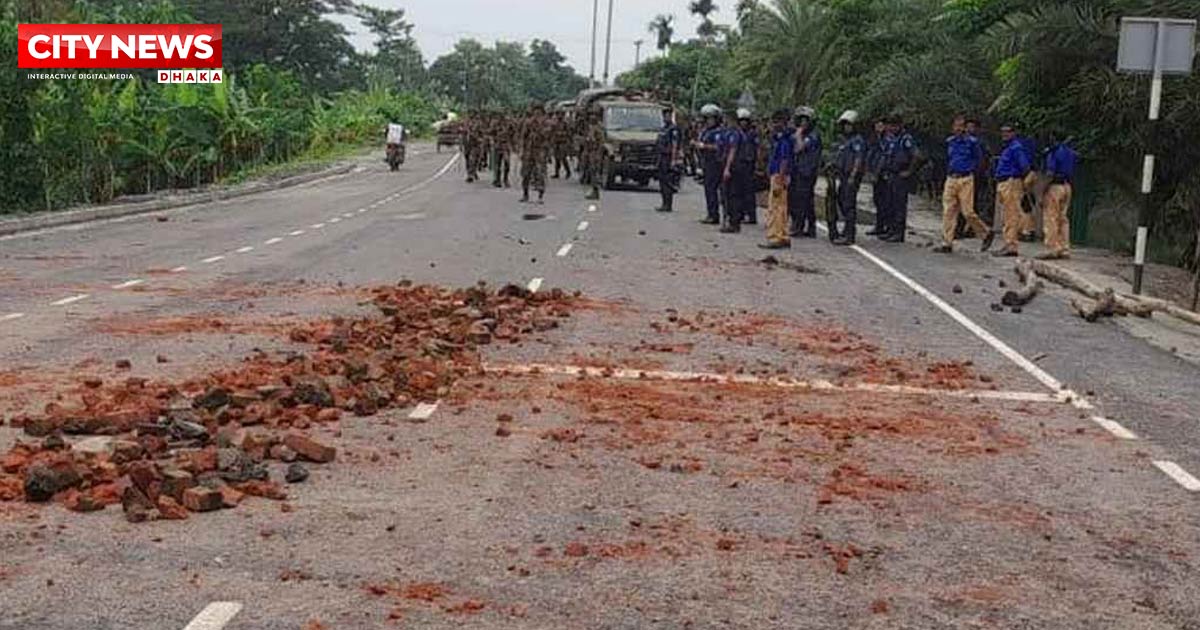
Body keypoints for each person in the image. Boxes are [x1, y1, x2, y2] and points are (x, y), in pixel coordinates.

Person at [935, 115, 995, 254]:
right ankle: (947, 242)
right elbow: (947, 158)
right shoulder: (950, 142)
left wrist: (972, 171)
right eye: (956, 126)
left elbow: (979, 159)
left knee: (967, 211)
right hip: (951, 177)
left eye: (961, 126)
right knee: (948, 210)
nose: (959, 128)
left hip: (966, 178)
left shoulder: (972, 142)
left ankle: (985, 232)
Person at [991, 123, 1033, 257]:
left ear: (1014, 133)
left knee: (1011, 215)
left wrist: (1020, 181)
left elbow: (1025, 167)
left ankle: (1011, 245)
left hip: (1011, 181)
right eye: (1003, 131)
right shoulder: (1008, 148)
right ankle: (1009, 243)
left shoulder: (1016, 148)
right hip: (1005, 182)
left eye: (1008, 132)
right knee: (1008, 215)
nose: (1005, 134)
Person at [828, 110, 866, 246]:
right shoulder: (845, 141)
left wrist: (853, 175)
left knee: (849, 204)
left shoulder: (858, 141)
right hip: (843, 176)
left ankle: (849, 234)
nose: (846, 127)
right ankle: (846, 230)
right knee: (841, 201)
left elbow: (858, 159)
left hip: (851, 176)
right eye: (845, 125)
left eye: (849, 125)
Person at [1038, 132, 1078, 260]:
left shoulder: (1054, 152)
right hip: (1067, 186)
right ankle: (1064, 248)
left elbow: (1050, 173)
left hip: (1054, 186)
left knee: (1051, 218)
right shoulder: (1071, 153)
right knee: (1063, 218)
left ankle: (1052, 248)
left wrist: (1041, 191)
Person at [760, 108, 795, 249]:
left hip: (779, 176)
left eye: (775, 122)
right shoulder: (782, 138)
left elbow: (784, 160)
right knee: (782, 206)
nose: (773, 125)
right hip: (780, 175)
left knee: (775, 207)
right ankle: (784, 235)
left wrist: (780, 178)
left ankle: (775, 236)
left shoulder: (784, 140)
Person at [881, 115, 919, 243]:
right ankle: (891, 230)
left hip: (900, 175)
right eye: (891, 125)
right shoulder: (891, 138)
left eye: (894, 125)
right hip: (891, 174)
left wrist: (909, 171)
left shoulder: (906, 139)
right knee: (889, 203)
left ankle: (899, 233)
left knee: (899, 205)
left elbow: (916, 156)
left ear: (900, 125)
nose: (892, 128)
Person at [721, 108, 757, 234]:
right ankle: (734, 221)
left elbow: (732, 151)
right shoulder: (740, 133)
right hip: (739, 167)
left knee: (733, 195)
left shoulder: (735, 134)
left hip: (737, 167)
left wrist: (727, 168)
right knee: (734, 195)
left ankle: (734, 222)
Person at [790, 105, 822, 238]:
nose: (803, 123)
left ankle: (799, 227)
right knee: (805, 200)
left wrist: (798, 135)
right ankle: (810, 227)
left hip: (807, 172)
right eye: (801, 120)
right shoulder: (802, 135)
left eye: (806, 120)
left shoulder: (812, 136)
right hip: (798, 170)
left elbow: (799, 148)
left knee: (802, 200)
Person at [692, 104, 725, 226]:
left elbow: (718, 147)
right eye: (706, 118)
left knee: (713, 189)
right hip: (706, 162)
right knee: (708, 189)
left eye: (710, 118)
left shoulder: (718, 132)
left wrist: (704, 146)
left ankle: (714, 215)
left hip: (715, 163)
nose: (707, 121)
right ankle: (710, 213)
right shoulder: (706, 131)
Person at [519, 105, 551, 204]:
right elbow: (523, 137)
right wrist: (522, 151)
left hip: (540, 150)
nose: (537, 115)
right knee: (526, 174)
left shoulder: (546, 123)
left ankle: (540, 195)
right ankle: (525, 194)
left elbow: (547, 136)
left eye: (539, 112)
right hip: (529, 150)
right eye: (535, 112)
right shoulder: (528, 123)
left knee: (540, 173)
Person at [655, 106, 682, 212]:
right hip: (661, 157)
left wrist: (673, 160)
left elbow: (675, 144)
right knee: (662, 181)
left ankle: (668, 204)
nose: (666, 117)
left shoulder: (673, 129)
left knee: (668, 182)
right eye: (665, 115)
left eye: (668, 115)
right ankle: (664, 203)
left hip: (668, 157)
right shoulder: (663, 128)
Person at [866, 119, 890, 238]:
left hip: (884, 174)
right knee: (877, 200)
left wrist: (877, 172)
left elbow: (884, 157)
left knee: (886, 201)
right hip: (876, 173)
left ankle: (886, 226)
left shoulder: (887, 139)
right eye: (877, 125)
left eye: (881, 125)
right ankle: (879, 225)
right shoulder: (875, 138)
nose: (878, 128)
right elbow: (871, 154)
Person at [582, 111, 604, 200]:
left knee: (594, 172)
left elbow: (600, 142)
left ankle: (595, 191)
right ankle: (593, 191)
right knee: (591, 172)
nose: (592, 118)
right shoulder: (591, 128)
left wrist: (598, 153)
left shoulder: (598, 129)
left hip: (595, 152)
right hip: (591, 151)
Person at [552, 111, 573, 180]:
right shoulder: (555, 124)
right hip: (556, 142)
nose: (559, 116)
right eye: (558, 114)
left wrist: (562, 134)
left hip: (563, 142)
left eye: (560, 115)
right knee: (556, 158)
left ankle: (568, 172)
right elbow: (552, 132)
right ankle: (557, 173)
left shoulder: (565, 124)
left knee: (563, 158)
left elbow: (569, 133)